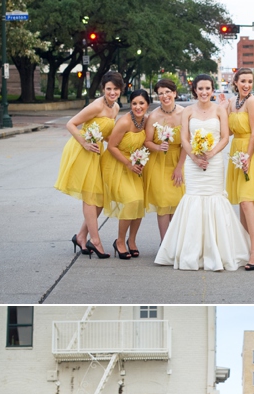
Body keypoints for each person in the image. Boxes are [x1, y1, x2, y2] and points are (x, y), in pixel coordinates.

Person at [155, 75, 250, 271]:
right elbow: (184, 138)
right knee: (194, 199)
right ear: (195, 90)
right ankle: (191, 252)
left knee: (214, 198)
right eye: (200, 89)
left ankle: (218, 250)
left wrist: (211, 153)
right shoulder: (188, 111)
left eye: (208, 88)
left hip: (214, 162)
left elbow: (224, 137)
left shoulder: (220, 110)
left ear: (213, 89)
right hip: (193, 163)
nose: (204, 92)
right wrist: (195, 157)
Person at [54, 71, 124, 258]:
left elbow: (108, 134)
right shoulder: (96, 106)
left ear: (120, 90)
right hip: (82, 150)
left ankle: (81, 235)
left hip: (97, 151)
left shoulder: (115, 108)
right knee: (90, 197)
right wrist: (84, 143)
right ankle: (96, 240)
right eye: (109, 89)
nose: (112, 92)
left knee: (100, 198)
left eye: (115, 89)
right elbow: (71, 123)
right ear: (103, 88)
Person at [220, 68, 254, 270]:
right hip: (236, 150)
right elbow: (227, 131)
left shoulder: (252, 101)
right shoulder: (231, 103)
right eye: (243, 81)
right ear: (235, 82)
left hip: (249, 152)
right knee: (241, 204)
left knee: (247, 201)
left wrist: (248, 156)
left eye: (250, 81)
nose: (247, 85)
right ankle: (246, 246)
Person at [101, 89, 151, 259]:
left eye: (141, 103)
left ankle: (132, 241)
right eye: (134, 103)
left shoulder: (146, 121)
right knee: (131, 201)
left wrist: (140, 161)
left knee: (139, 203)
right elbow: (112, 147)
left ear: (147, 105)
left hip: (136, 165)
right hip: (118, 164)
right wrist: (129, 164)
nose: (138, 107)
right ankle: (120, 241)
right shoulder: (124, 122)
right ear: (130, 105)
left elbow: (147, 144)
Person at [143, 79, 186, 241]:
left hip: (177, 161)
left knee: (176, 202)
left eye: (167, 92)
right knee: (163, 204)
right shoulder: (154, 117)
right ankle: (164, 243)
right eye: (160, 93)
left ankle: (175, 242)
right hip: (158, 163)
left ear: (174, 93)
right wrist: (158, 147)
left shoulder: (184, 114)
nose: (164, 96)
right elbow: (147, 141)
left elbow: (185, 144)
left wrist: (179, 168)